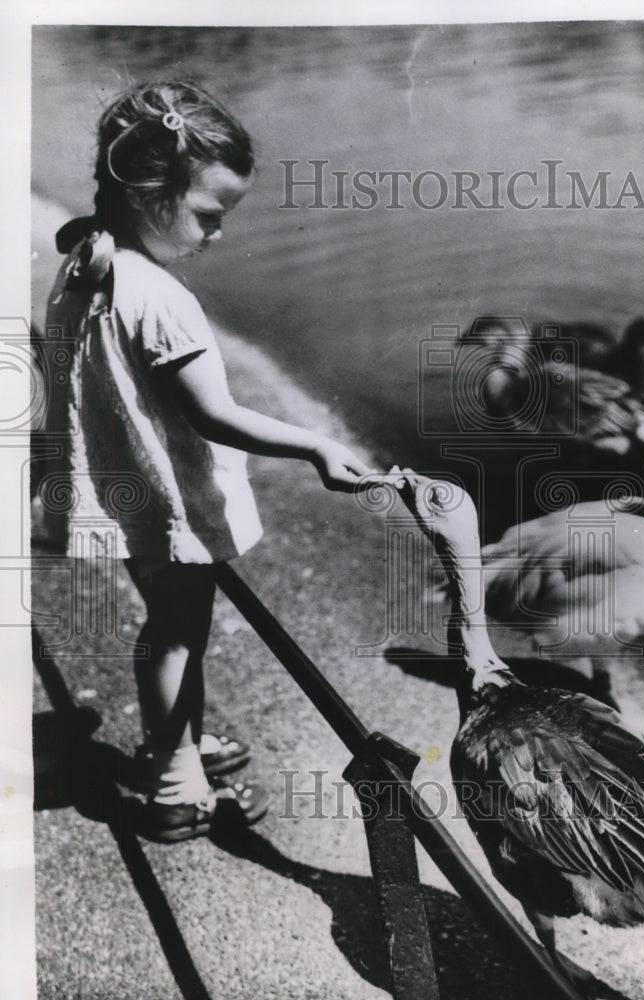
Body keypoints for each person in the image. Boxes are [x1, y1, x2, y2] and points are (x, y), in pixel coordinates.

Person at [45, 80, 374, 842]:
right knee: (177, 632)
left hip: (126, 485)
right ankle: (170, 780)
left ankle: (183, 743)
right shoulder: (158, 298)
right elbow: (213, 414)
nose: (217, 235)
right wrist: (317, 445)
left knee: (169, 623)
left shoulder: (86, 260)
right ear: (149, 193)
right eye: (208, 215)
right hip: (172, 502)